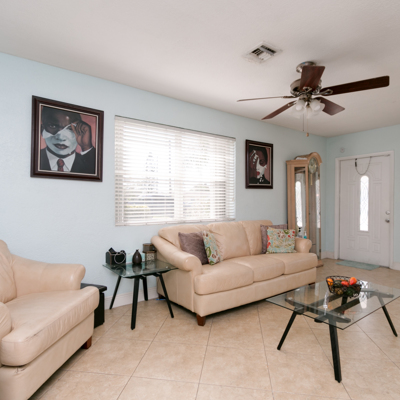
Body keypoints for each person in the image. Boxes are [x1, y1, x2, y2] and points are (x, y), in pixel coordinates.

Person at [40, 106, 96, 174]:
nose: (61, 138)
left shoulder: (90, 164)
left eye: (70, 128)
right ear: (42, 129)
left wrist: (86, 147)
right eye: (53, 126)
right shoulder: (34, 159)